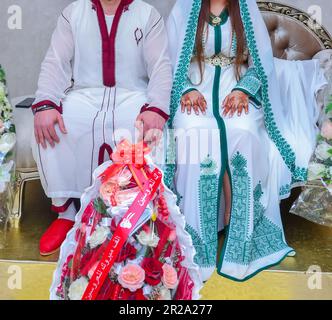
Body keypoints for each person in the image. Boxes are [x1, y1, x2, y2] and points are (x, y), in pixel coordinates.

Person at [166, 0, 326, 281]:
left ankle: (238, 228)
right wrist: (187, 89)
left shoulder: (245, 9)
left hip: (235, 89)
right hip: (194, 88)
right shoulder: (184, 9)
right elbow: (168, 57)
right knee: (194, 133)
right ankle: (195, 240)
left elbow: (261, 63)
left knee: (242, 132)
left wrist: (242, 90)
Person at [31, 0, 172, 256]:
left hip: (132, 96)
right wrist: (45, 104)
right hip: (84, 95)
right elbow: (55, 62)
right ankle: (67, 214)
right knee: (51, 124)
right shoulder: (73, 13)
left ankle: (135, 217)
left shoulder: (147, 14)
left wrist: (156, 108)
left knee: (148, 132)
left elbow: (161, 66)